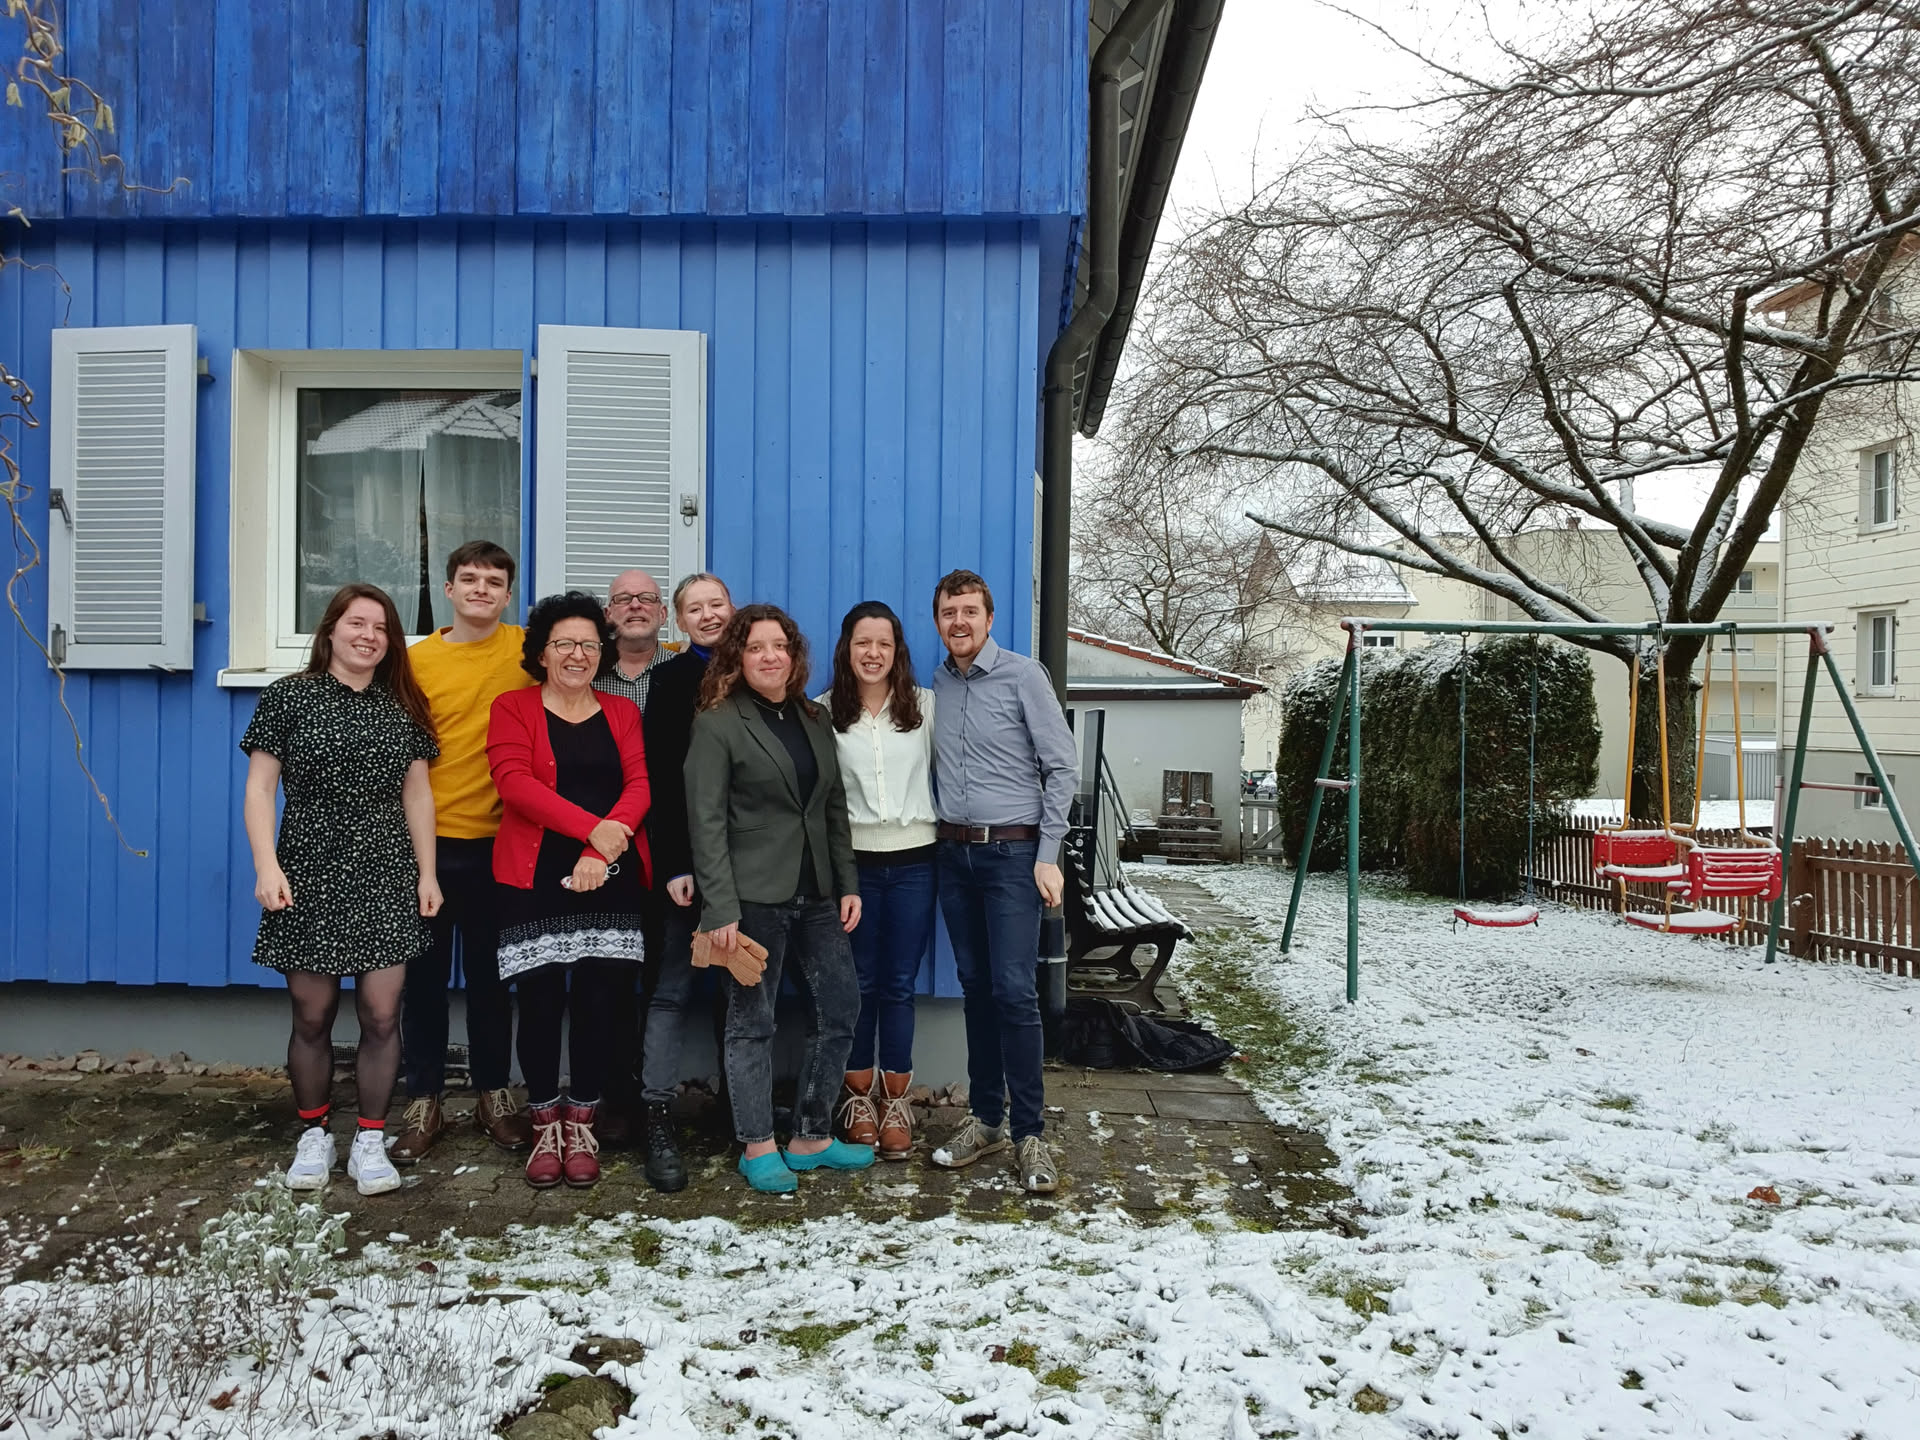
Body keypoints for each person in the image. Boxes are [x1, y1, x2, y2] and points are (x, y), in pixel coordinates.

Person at [241, 583, 442, 1197]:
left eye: (381, 628)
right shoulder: (288, 697)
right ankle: (315, 1134)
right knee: (313, 1014)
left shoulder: (402, 704)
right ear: (330, 630)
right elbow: (259, 788)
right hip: (307, 868)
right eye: (357, 623)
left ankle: (371, 1139)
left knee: (381, 1014)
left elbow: (418, 796)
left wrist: (427, 874)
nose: (369, 636)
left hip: (386, 871)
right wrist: (267, 866)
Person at [685, 604, 871, 1193]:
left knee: (839, 1008)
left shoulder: (813, 717)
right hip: (751, 898)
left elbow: (833, 806)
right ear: (737, 657)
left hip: (817, 893)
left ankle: (811, 1135)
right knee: (752, 1022)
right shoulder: (717, 723)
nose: (770, 657)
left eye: (780, 646)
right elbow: (705, 821)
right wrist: (719, 908)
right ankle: (757, 1144)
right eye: (756, 647)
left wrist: (847, 883)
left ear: (794, 656)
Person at [487, 592, 650, 1189]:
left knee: (600, 1001)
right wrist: (592, 831)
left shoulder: (622, 712)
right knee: (538, 1000)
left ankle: (580, 1122)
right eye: (564, 644)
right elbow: (514, 784)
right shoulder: (513, 707)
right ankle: (543, 1125)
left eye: (588, 644)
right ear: (541, 652)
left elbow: (639, 786)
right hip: (533, 876)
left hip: (609, 872)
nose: (577, 655)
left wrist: (598, 851)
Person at [926, 569, 1076, 1194]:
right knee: (977, 989)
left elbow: (1062, 767)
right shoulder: (937, 685)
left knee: (1014, 991)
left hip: (1014, 856)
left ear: (989, 619)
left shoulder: (1023, 676)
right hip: (953, 856)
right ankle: (986, 1120)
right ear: (938, 621)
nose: (959, 622)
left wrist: (1048, 855)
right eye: (948, 612)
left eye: (969, 611)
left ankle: (1030, 1133)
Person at [393, 541, 535, 1164]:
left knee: (491, 980)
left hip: (500, 845)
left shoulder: (527, 651)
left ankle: (493, 1095)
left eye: (494, 581)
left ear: (509, 595)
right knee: (422, 981)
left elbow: (595, 653)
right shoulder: (415, 661)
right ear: (448, 590)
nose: (481, 589)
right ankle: (423, 1098)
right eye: (469, 579)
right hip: (425, 845)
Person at [821, 601, 938, 1160]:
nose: (873, 653)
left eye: (884, 644)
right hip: (854, 866)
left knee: (899, 984)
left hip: (916, 862)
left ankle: (895, 1102)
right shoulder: (824, 712)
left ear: (897, 651)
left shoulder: (925, 707)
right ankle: (857, 1100)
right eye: (863, 643)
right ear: (847, 648)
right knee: (859, 982)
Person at [633, 571, 735, 1191]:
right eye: (694, 609)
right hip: (687, 869)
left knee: (740, 987)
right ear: (679, 622)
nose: (708, 615)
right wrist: (675, 863)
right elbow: (662, 780)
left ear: (732, 609)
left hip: (749, 867)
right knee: (671, 989)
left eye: (716, 604)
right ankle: (657, 1115)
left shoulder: (760, 668)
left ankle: (738, 1109)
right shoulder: (670, 682)